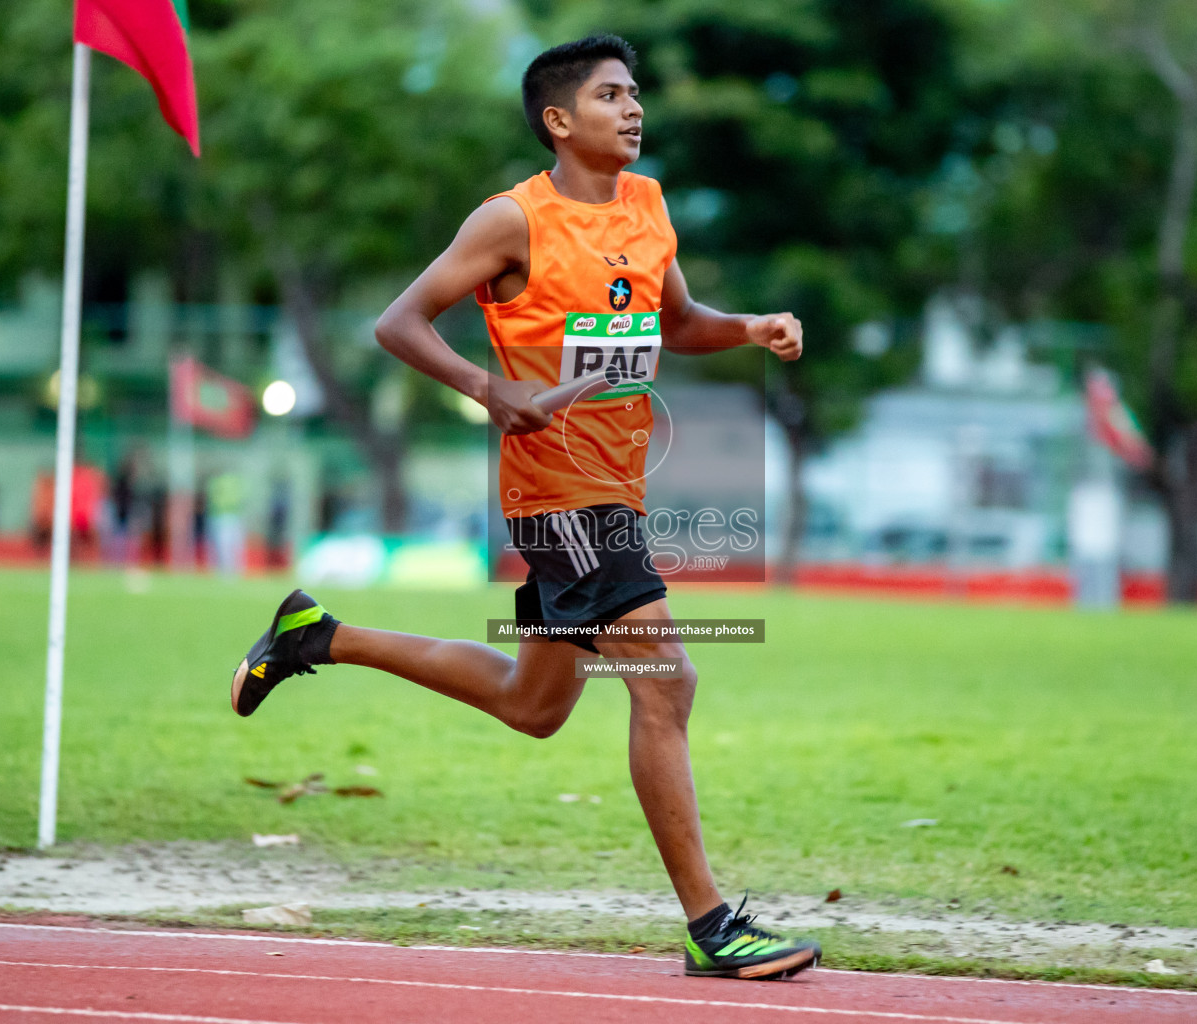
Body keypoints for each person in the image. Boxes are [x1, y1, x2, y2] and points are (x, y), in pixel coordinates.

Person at [229, 36, 817, 981]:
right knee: (667, 683)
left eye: (635, 94)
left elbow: (680, 322)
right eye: (611, 95)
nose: (633, 110)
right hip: (557, 494)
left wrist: (752, 327)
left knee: (532, 704)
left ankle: (315, 636)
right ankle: (713, 926)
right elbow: (399, 321)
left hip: (617, 489)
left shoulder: (650, 206)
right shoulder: (513, 222)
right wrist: (483, 385)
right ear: (558, 119)